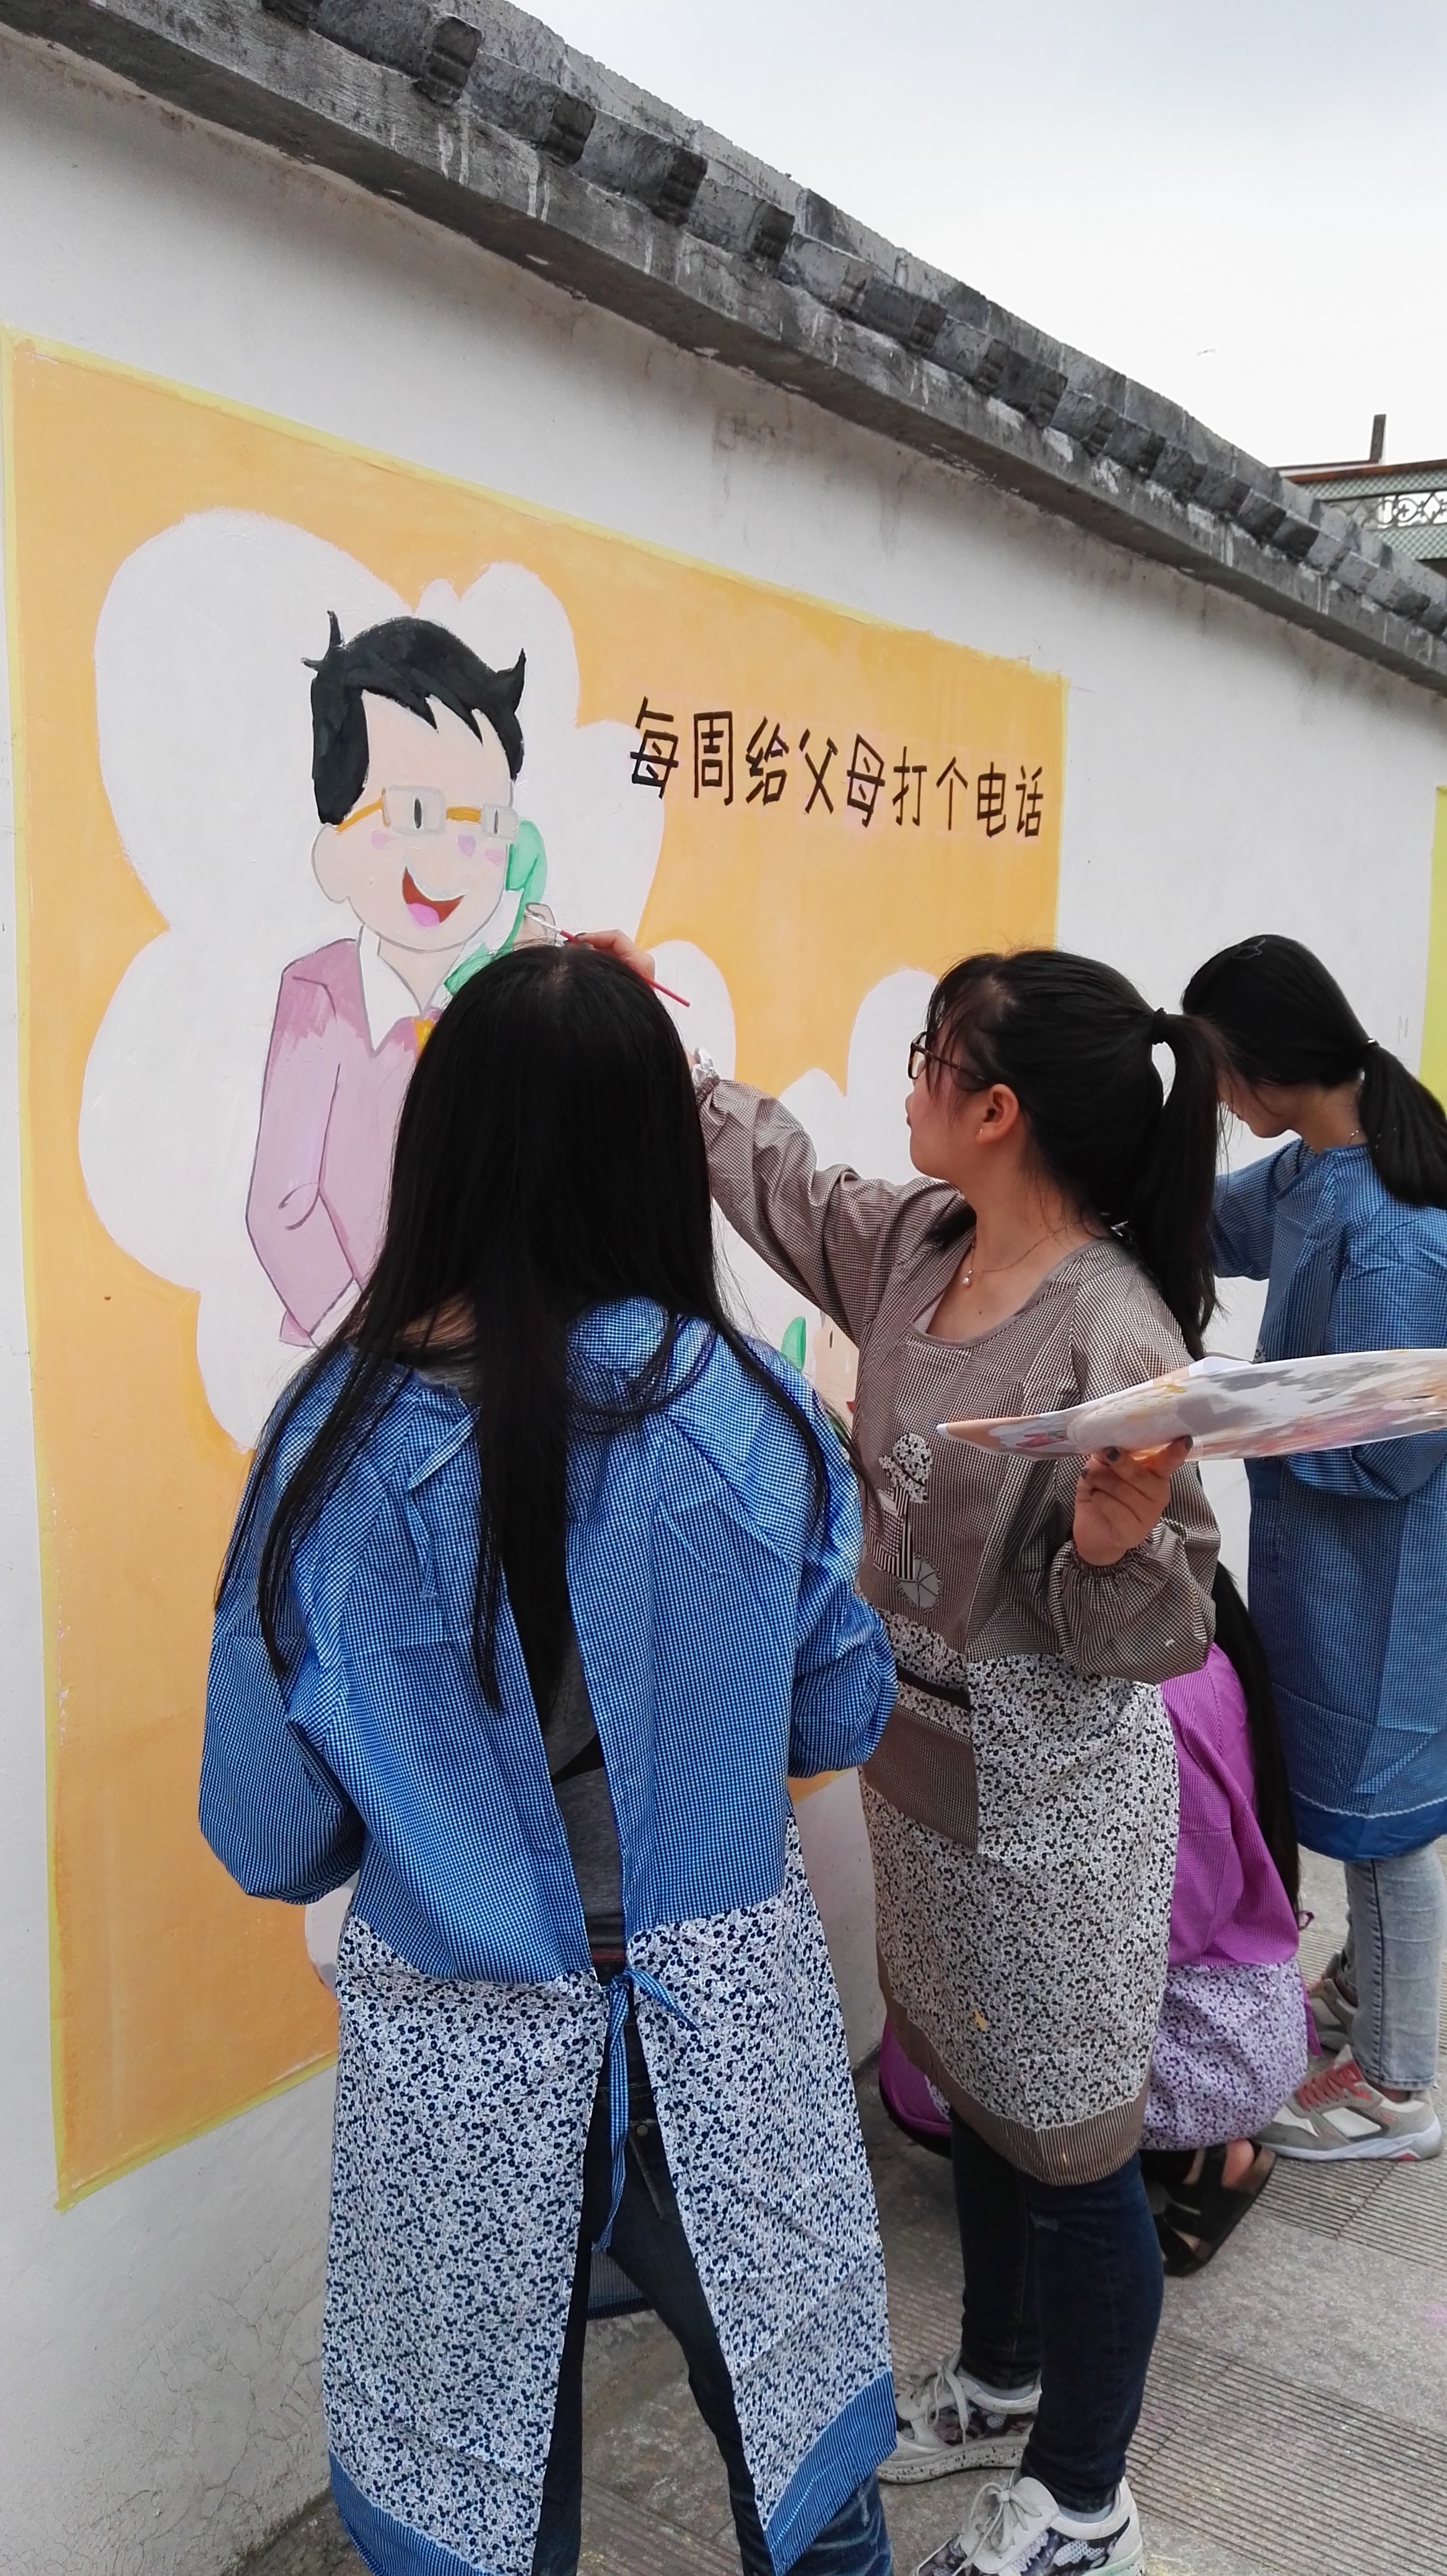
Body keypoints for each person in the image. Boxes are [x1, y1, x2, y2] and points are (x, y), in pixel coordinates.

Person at [202, 943, 901, 2576]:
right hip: (723, 2047)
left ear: (441, 1143)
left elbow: (269, 1832)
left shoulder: (326, 1447)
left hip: (458, 2066)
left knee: (479, 2506)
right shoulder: (753, 1415)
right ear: (652, 1153)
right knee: (806, 2472)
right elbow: (835, 1717)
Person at [590, 934, 1221, 2576]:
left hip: (1050, 1802)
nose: (911, 1085)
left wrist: (1113, 1548)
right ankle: (1001, 2376)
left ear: (998, 1109)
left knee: (1074, 2148)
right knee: (978, 2089)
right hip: (919, 1761)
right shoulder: (922, 1241)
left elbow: (1164, 1629)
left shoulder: (1116, 1335)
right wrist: (660, 1055)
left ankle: (1084, 2496)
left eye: (935, 1058)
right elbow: (787, 1187)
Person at [1184, 934, 1447, 2163]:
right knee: (1355, 1794)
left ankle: (1396, 2088)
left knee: (1389, 1825)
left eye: (1213, 1072)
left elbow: (1396, 1451)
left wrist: (1239, 1410)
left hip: (1383, 1573)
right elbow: (1216, 1226)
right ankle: (1364, 1987)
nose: (1214, 1098)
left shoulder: (1391, 1230)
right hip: (1324, 1559)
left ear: (1267, 1067)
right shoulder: (1312, 1172)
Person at [247, 613, 547, 1345]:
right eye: (416, 813)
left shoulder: (496, 1004)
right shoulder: (319, 996)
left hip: (477, 1358)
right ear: (335, 849)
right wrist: (368, 1337)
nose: (453, 855)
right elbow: (281, 1206)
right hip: (349, 1351)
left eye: (488, 823)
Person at [1141, 1563, 1309, 2270]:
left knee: (969, 2081)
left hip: (1219, 2045)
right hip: (1250, 2015)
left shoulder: (1157, 1701)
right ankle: (1195, 2153)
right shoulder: (1205, 1650)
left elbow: (1181, 1920)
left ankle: (1210, 2157)